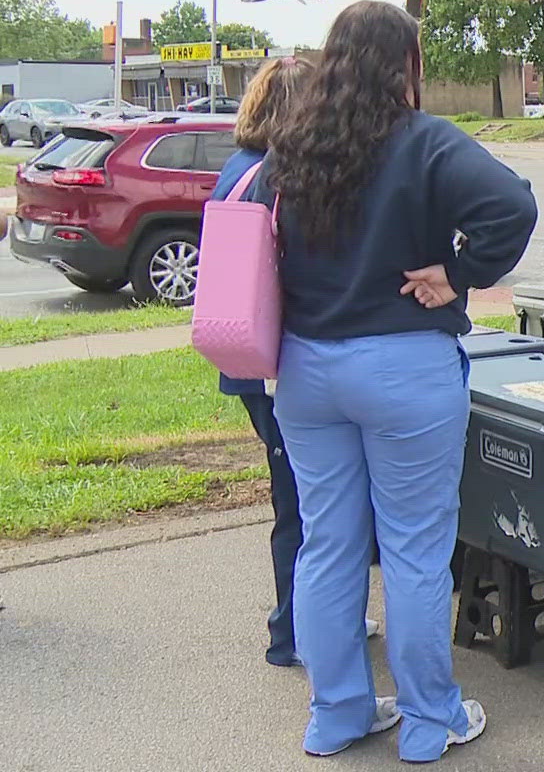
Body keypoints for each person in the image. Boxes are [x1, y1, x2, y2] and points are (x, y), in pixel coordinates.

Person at [266, 1, 537, 762]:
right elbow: (511, 206)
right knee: (417, 551)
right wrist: (458, 276)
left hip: (306, 370)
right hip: (403, 368)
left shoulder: (290, 149)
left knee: (327, 545)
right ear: (404, 66)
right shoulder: (424, 143)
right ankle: (427, 722)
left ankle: (337, 714)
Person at [210, 55, 383, 670]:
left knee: (300, 502)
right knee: (310, 510)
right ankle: (293, 630)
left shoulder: (235, 168)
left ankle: (309, 618)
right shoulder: (278, 178)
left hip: (245, 357)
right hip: (284, 360)